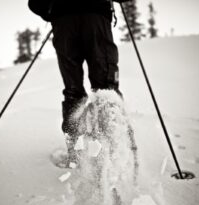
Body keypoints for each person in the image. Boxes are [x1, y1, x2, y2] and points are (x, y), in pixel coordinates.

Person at [29, 0, 128, 166]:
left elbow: (35, 3)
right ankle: (111, 151)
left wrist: (52, 12)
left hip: (63, 20)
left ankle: (76, 154)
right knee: (106, 87)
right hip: (96, 16)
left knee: (73, 90)